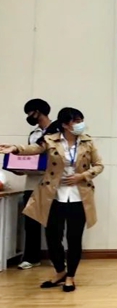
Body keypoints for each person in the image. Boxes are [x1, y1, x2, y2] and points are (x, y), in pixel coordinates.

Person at [0, 107, 104, 292]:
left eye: (81, 120)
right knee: (52, 236)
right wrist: (15, 148)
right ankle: (59, 271)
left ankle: (71, 276)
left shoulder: (87, 142)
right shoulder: (50, 140)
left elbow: (99, 165)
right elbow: (34, 148)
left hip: (79, 195)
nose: (80, 124)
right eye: (76, 121)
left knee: (74, 238)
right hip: (53, 195)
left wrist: (82, 176)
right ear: (65, 124)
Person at [16, 99, 53, 270]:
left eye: (30, 113)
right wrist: (19, 168)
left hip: (51, 182)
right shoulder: (34, 134)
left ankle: (56, 257)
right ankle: (31, 257)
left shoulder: (57, 131)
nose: (29, 116)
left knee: (53, 223)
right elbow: (29, 156)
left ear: (38, 112)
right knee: (31, 222)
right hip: (31, 183)